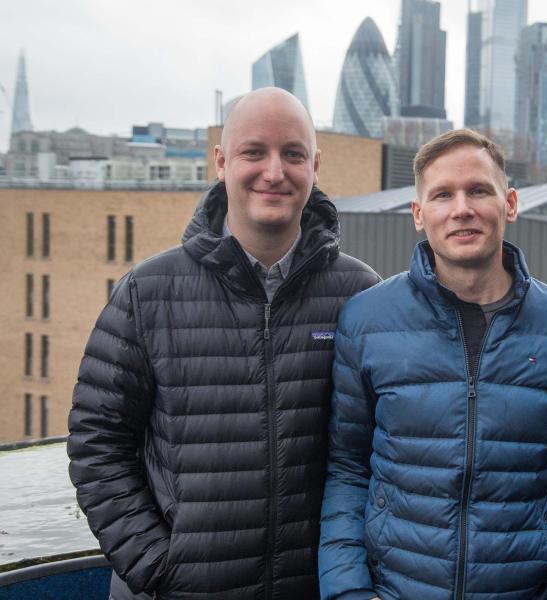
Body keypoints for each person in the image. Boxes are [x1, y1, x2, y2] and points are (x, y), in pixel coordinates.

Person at [67, 87, 380, 599]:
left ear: (316, 165)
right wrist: (155, 565)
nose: (274, 172)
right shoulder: (149, 292)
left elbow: (378, 452)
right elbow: (97, 441)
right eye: (254, 152)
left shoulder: (360, 293)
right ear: (221, 161)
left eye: (293, 153)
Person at [318, 129, 547, 600]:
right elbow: (347, 468)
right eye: (443, 194)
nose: (462, 208)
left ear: (509, 203)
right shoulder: (366, 319)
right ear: (419, 214)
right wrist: (347, 591)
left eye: (479, 190)